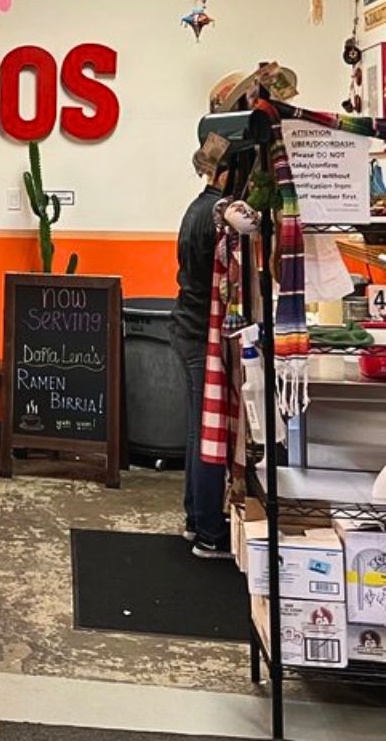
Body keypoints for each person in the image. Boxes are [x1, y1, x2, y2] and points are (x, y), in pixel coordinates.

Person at [170, 159, 232, 560]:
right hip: (200, 334)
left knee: (199, 430)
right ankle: (210, 531)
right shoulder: (218, 216)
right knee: (209, 432)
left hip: (185, 327)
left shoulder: (197, 207)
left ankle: (198, 519)